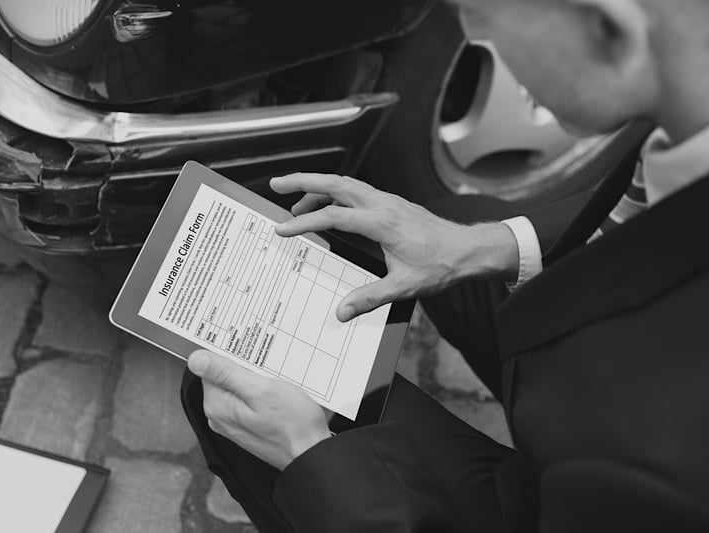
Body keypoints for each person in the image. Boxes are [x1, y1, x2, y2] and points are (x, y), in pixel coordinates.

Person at [181, 0, 709, 531]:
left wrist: (310, 456)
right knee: (438, 235)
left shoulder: (666, 462)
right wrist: (478, 248)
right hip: (584, 345)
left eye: (479, 9)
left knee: (233, 397)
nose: (470, 30)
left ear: (607, 25)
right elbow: (642, 207)